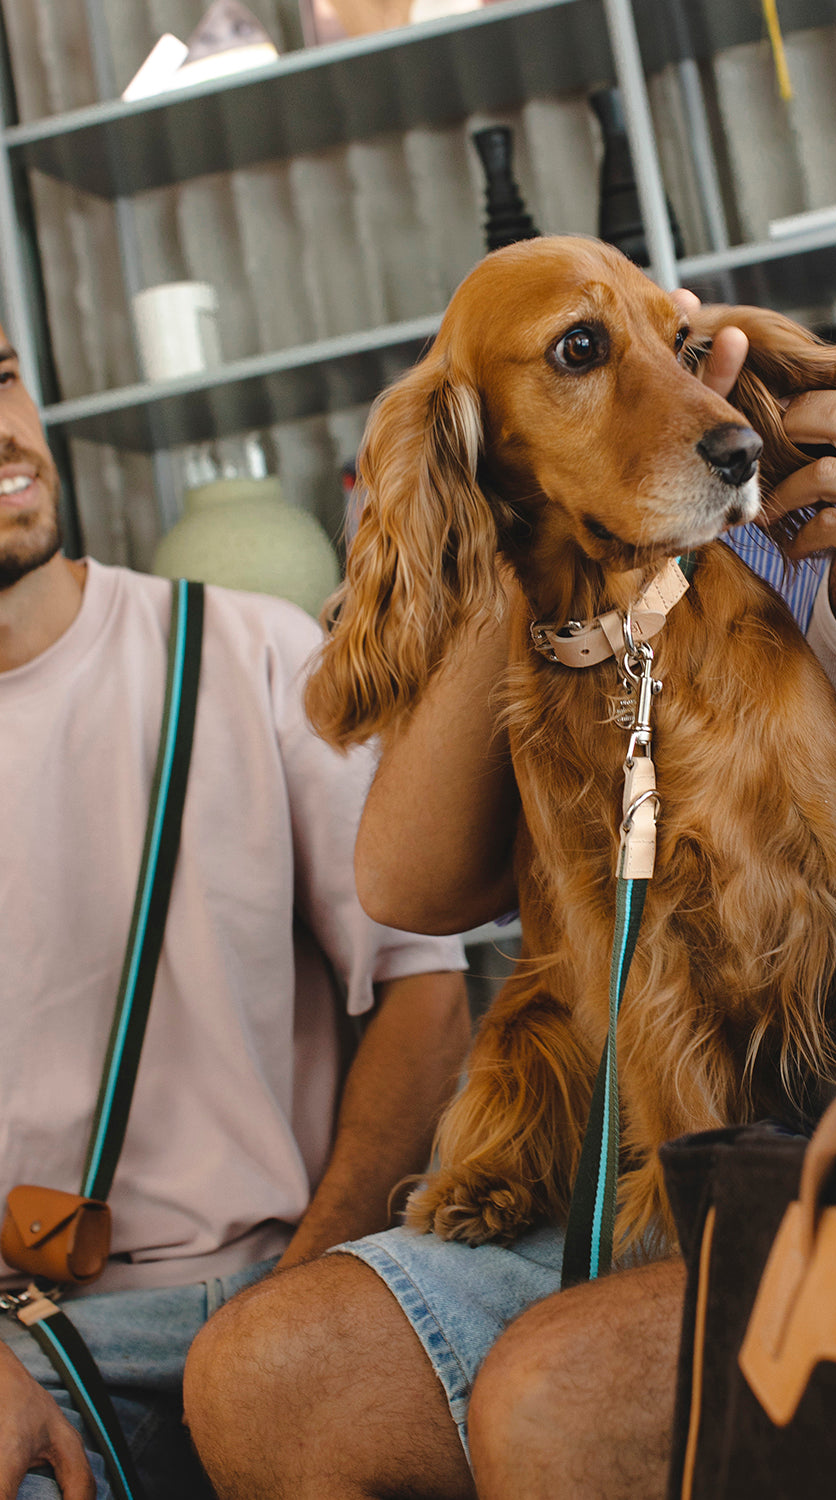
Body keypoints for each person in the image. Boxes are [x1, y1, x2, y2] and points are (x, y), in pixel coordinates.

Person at [182, 2, 836, 1497]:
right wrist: (560, 474)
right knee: (268, 1378)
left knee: (563, 1394)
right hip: (739, 1159)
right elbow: (411, 883)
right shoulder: (734, 446)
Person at [0, 321, 472, 1500]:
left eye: (2, 377)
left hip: (286, 1272)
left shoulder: (247, 650)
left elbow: (424, 988)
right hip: (27, 1334)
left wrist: (305, 1293)